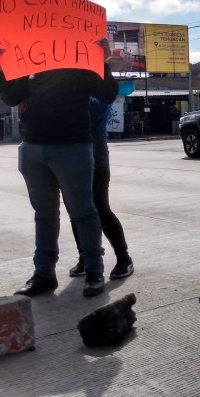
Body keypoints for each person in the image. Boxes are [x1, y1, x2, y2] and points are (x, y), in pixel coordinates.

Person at [0, 38, 118, 297]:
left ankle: (95, 271)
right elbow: (12, 95)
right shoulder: (27, 59)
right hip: (32, 148)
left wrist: (102, 62)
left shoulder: (79, 63)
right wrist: (1, 65)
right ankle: (44, 275)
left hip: (73, 147)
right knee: (44, 213)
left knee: (83, 211)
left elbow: (107, 94)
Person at [68, 98, 134, 280]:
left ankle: (123, 257)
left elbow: (97, 108)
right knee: (75, 211)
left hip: (95, 154)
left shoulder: (98, 84)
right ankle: (84, 257)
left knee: (100, 207)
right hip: (69, 155)